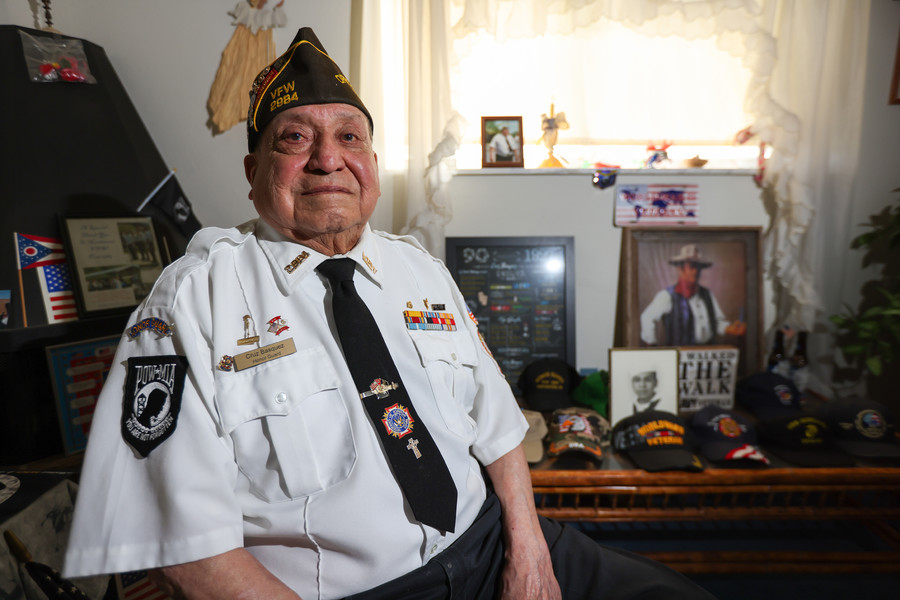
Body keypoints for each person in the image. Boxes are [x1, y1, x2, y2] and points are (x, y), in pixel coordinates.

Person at [63, 27, 716, 600]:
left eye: (349, 136)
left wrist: (531, 554)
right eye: (296, 138)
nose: (327, 158)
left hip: (495, 544)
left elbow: (497, 431)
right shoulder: (190, 303)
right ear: (254, 168)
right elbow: (183, 547)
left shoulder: (420, 270)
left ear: (371, 165)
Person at [640, 244, 746, 346]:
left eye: (699, 267)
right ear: (680, 269)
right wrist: (652, 345)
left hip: (708, 353)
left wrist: (731, 329)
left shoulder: (707, 294)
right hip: (680, 356)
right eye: (691, 267)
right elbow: (647, 318)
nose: (696, 271)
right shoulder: (667, 296)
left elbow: (716, 323)